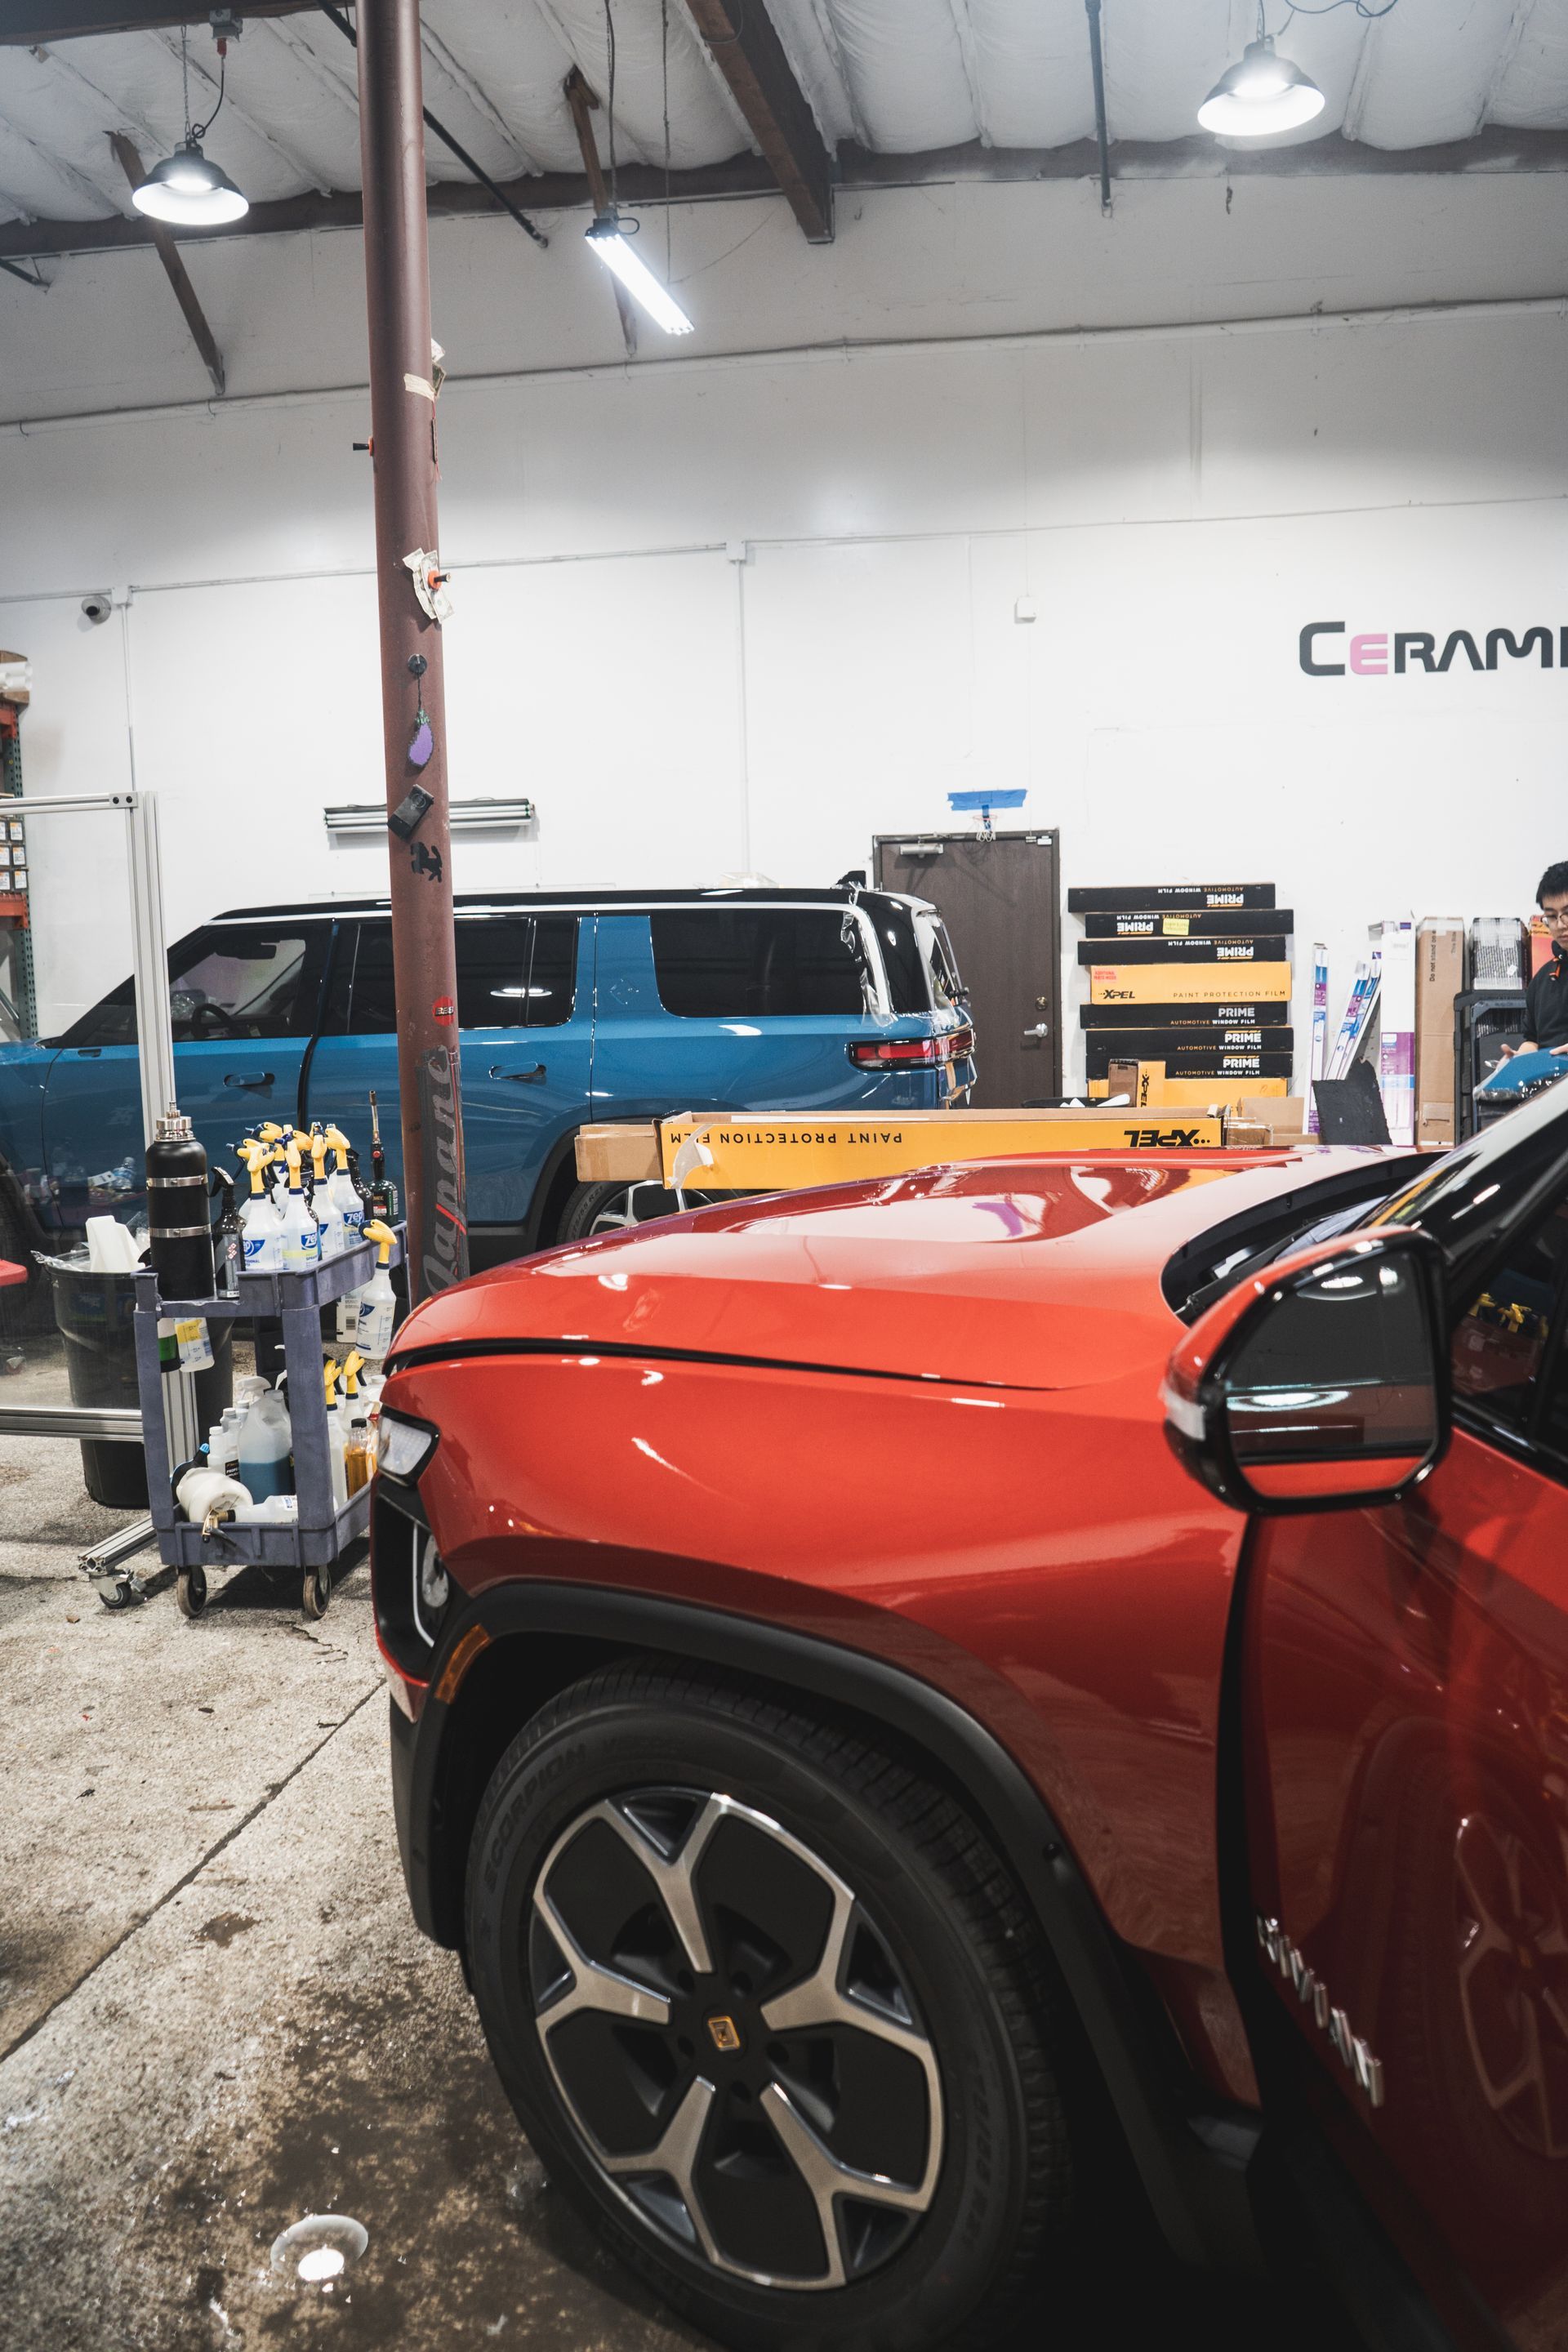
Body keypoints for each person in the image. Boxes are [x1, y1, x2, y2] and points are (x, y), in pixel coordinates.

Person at [1507, 862, 1568, 1056]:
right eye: (1551, 916)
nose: (1559, 924)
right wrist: (1519, 1060)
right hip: (1553, 1083)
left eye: (1567, 913)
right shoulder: (1542, 980)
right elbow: (1532, 1039)